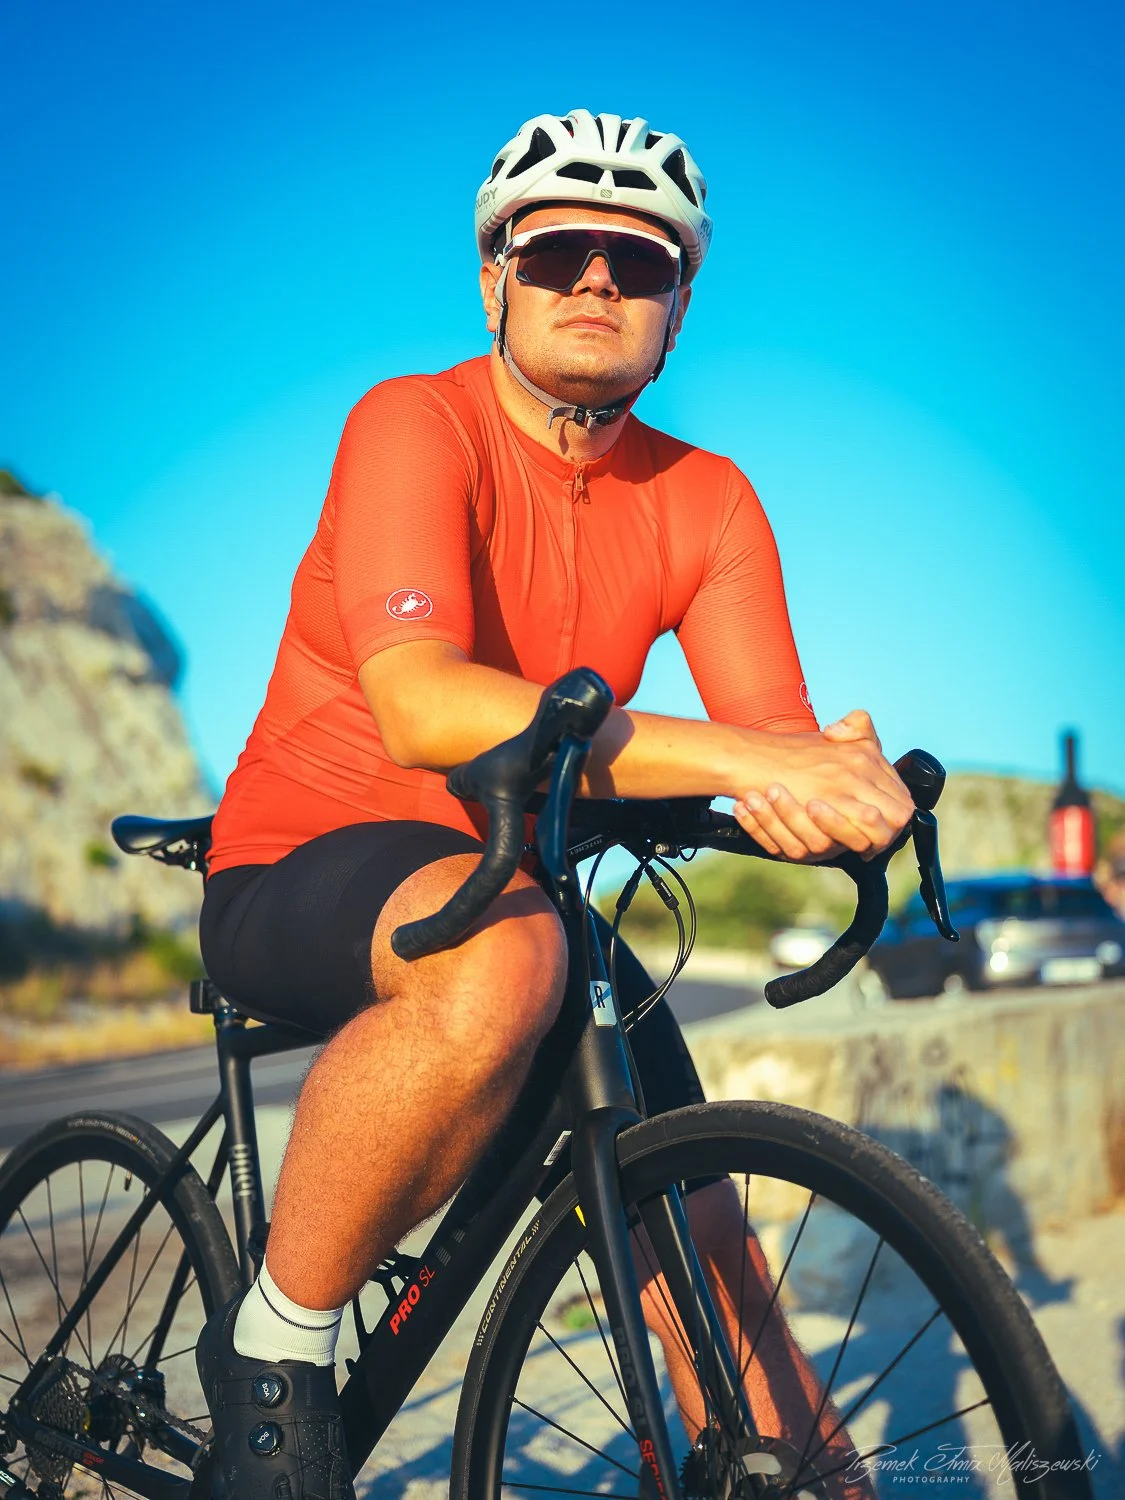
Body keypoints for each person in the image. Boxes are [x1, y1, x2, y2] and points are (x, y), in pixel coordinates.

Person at [195, 108, 911, 1500]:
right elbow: (426, 706)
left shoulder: (708, 502)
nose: (596, 280)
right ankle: (275, 1353)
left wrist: (834, 782)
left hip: (517, 881)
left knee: (715, 1257)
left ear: (679, 307)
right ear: (495, 281)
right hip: (309, 850)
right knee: (516, 954)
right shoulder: (416, 423)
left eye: (636, 266)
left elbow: (762, 741)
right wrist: (756, 759)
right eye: (560, 251)